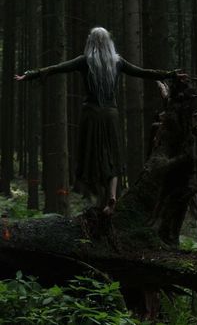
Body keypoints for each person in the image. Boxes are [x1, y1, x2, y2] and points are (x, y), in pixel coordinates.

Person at [15, 27, 187, 215]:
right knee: (112, 155)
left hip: (91, 114)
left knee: (91, 156)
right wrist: (171, 74)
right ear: (108, 43)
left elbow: (57, 68)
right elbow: (143, 72)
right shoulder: (118, 62)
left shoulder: (84, 61)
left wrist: (30, 74)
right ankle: (111, 196)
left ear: (91, 42)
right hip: (110, 115)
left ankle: (100, 199)